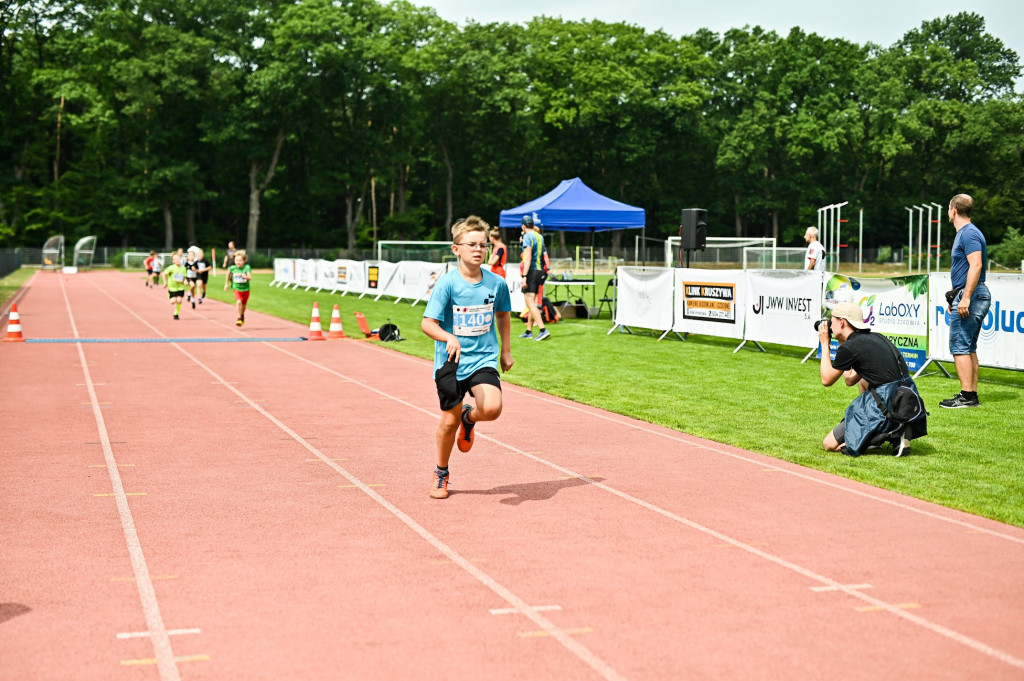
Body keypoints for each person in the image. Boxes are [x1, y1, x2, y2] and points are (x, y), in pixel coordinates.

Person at [421, 216, 514, 499]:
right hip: (452, 361)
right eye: (471, 244)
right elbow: (427, 323)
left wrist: (506, 350)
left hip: (483, 358)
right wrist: (448, 337)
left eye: (483, 245)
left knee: (492, 409)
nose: (478, 249)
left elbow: (503, 315)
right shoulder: (447, 284)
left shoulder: (496, 284)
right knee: (449, 423)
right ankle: (441, 473)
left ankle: (470, 418)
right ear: (456, 249)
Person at [818, 301, 925, 456]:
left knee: (829, 444)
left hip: (886, 402)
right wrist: (842, 341)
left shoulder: (851, 347)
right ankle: (896, 430)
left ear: (842, 322)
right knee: (863, 380)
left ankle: (881, 433)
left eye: (832, 320)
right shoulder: (875, 338)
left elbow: (826, 380)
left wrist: (824, 344)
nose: (829, 325)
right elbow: (850, 380)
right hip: (904, 399)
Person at [940, 194, 991, 408]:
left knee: (960, 346)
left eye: (949, 208)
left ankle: (967, 395)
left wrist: (966, 297)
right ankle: (970, 394)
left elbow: (976, 265)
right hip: (969, 293)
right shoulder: (967, 233)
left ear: (953, 210)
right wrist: (955, 295)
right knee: (968, 347)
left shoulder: (968, 234)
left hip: (973, 294)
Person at [519, 215, 550, 341]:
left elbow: (528, 256)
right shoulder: (539, 236)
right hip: (540, 270)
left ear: (523, 226)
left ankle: (543, 329)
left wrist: (524, 276)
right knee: (532, 302)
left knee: (530, 302)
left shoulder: (527, 236)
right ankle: (529, 331)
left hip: (531, 271)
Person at [224, 249, 252, 326]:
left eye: (240, 260)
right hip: (236, 288)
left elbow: (250, 277)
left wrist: (243, 276)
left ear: (244, 261)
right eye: (236, 260)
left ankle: (242, 315)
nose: (238, 262)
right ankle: (239, 317)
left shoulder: (247, 267)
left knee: (244, 305)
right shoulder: (232, 268)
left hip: (246, 289)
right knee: (238, 302)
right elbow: (228, 274)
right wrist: (226, 284)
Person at [160, 252, 188, 320]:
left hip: (180, 287)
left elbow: (185, 277)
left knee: (179, 301)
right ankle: (169, 295)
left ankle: (176, 314)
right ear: (173, 261)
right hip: (172, 288)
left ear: (180, 259)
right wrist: (165, 282)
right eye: (175, 259)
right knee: (173, 302)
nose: (177, 260)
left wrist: (185, 281)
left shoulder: (183, 268)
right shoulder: (171, 267)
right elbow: (164, 274)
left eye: (178, 258)